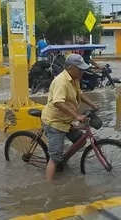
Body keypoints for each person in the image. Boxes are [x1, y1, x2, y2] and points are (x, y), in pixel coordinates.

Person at [41, 53, 99, 181]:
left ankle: (63, 161)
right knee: (54, 157)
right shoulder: (61, 81)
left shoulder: (75, 79)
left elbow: (80, 93)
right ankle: (49, 189)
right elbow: (58, 102)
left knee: (81, 140)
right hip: (54, 122)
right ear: (70, 68)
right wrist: (77, 116)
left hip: (66, 120)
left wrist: (92, 104)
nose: (82, 72)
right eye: (80, 69)